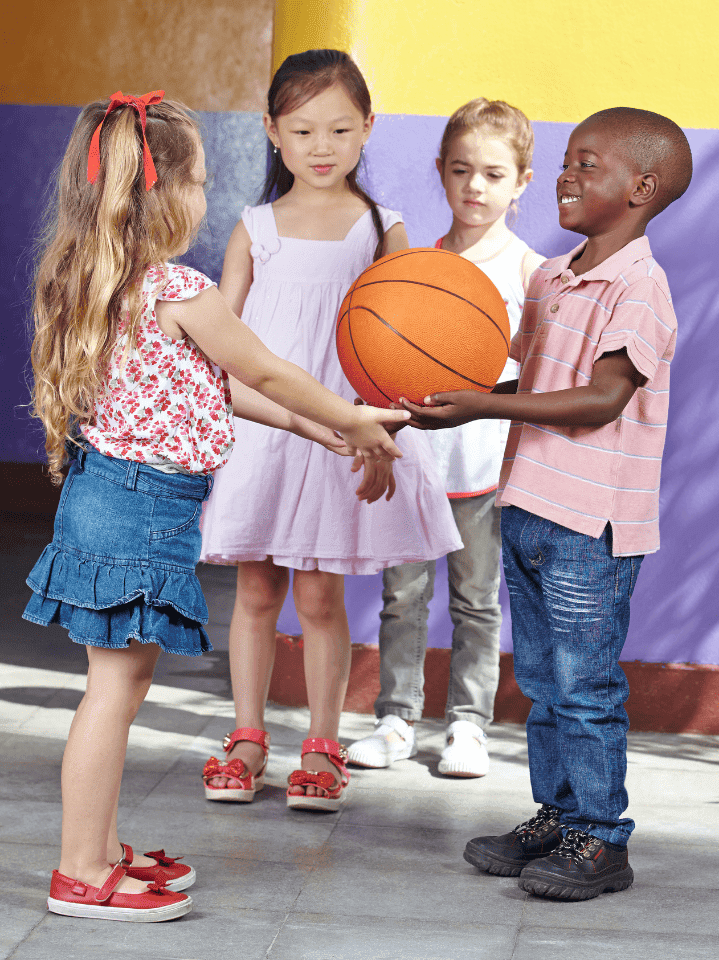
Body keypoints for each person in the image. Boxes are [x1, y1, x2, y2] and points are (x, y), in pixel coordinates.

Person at [24, 91, 408, 921]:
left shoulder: (94, 281)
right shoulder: (179, 291)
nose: (204, 196)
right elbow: (263, 368)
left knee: (113, 690)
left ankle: (99, 844)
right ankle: (82, 870)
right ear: (165, 195)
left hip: (108, 499)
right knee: (112, 696)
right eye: (196, 180)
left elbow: (222, 387)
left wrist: (328, 433)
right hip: (140, 514)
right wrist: (351, 416)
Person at [404, 107, 693, 900]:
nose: (566, 175)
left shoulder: (641, 288)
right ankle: (557, 817)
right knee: (539, 679)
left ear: (640, 188)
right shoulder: (552, 277)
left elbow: (598, 398)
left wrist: (479, 407)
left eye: (587, 163)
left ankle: (602, 839)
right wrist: (456, 394)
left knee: (586, 686)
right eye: (566, 160)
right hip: (528, 504)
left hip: (592, 525)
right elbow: (533, 385)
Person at [199, 50, 460, 811]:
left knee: (318, 599)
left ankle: (320, 742)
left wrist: (387, 438)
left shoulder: (383, 228)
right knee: (252, 593)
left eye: (340, 129)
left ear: (368, 130)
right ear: (272, 132)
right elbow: (222, 339)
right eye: (304, 129)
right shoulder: (254, 228)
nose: (322, 145)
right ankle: (247, 736)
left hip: (346, 436)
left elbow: (411, 350)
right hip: (264, 432)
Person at [347, 99, 544, 778]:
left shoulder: (531, 273)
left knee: (477, 601)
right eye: (461, 171)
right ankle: (396, 719)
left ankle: (467, 725)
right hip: (418, 465)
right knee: (402, 597)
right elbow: (383, 363)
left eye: (493, 174)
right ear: (440, 172)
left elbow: (544, 379)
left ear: (521, 181)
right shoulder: (414, 271)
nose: (475, 187)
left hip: (488, 469)